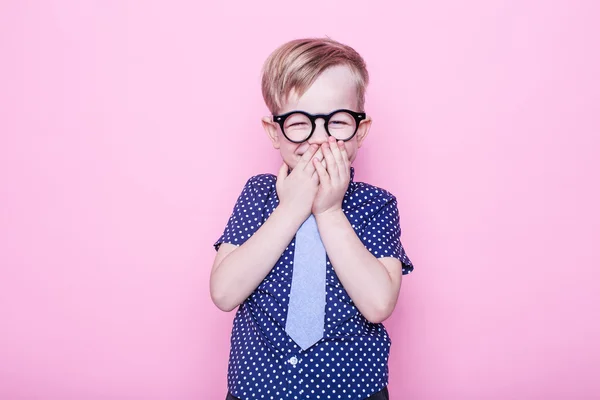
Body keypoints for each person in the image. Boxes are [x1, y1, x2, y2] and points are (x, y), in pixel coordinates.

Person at [210, 37, 414, 400]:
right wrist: (290, 209)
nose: (320, 139)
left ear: (360, 131)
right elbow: (225, 293)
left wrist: (330, 211)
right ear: (275, 132)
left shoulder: (375, 205)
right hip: (259, 389)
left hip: (354, 390)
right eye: (300, 123)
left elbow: (378, 304)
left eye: (336, 122)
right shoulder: (258, 196)